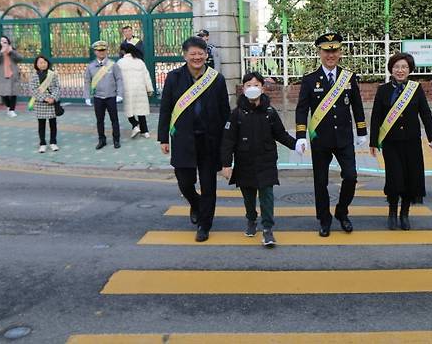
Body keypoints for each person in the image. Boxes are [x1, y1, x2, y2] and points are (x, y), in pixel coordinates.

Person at [158, 36, 230, 242]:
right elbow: (165, 109)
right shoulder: (174, 78)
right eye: (193, 54)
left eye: (201, 53)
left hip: (210, 141)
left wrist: (227, 142)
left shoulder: (216, 79)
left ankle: (204, 225)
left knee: (209, 185)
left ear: (206, 55)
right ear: (185, 55)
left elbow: (225, 112)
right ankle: (196, 204)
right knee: (185, 183)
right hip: (183, 140)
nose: (197, 57)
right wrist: (163, 137)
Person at [295, 32, 367, 237]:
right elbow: (302, 109)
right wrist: (301, 135)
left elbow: (357, 106)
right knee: (321, 182)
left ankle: (342, 212)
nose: (330, 55)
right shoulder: (310, 80)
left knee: (351, 177)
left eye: (334, 50)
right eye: (326, 51)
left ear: (340, 52)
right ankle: (324, 219)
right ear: (319, 52)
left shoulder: (348, 77)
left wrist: (362, 131)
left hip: (344, 138)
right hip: (320, 139)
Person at [220, 72, 298, 247]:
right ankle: (251, 219)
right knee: (248, 197)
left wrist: (297, 145)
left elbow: (281, 135)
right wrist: (226, 164)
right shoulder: (236, 114)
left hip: (266, 161)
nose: (252, 88)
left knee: (267, 196)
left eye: (256, 85)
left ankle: (268, 229)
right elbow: (228, 140)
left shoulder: (270, 112)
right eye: (248, 85)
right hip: (244, 162)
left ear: (262, 88)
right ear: (243, 89)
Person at [369, 53, 432, 230]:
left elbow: (425, 113)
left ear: (409, 70)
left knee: (410, 178)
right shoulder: (383, 90)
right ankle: (392, 212)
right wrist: (373, 142)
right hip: (391, 143)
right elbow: (376, 117)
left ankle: (404, 214)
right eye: (397, 67)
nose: (400, 70)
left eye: (404, 67)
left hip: (411, 142)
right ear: (391, 69)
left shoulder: (416, 89)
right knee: (394, 178)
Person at [83, 40, 125, 150]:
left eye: (103, 50)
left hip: (111, 96)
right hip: (98, 97)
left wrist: (120, 94)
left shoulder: (113, 65)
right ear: (95, 52)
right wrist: (87, 96)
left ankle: (116, 139)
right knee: (100, 120)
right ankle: (102, 139)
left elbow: (119, 79)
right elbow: (87, 81)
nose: (101, 52)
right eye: (99, 50)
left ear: (106, 51)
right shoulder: (91, 66)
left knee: (114, 119)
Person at [117, 42, 154, 139]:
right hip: (140, 89)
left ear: (123, 51)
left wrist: (117, 91)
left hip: (127, 90)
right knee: (141, 110)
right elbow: (146, 76)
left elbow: (118, 78)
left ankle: (134, 124)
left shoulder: (120, 63)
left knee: (129, 110)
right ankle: (145, 131)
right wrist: (149, 89)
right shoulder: (140, 62)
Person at [29, 55, 61, 153]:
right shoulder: (34, 76)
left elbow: (57, 87)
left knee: (53, 124)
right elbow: (33, 90)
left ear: (47, 63)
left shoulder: (53, 74)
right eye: (40, 62)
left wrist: (53, 98)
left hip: (52, 103)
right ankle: (42, 143)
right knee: (41, 124)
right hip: (40, 104)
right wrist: (45, 98)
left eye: (44, 62)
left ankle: (53, 142)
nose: (42, 64)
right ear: (36, 64)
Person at [0, 35, 22, 117]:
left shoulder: (12, 51)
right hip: (3, 76)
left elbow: (20, 58)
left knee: (13, 93)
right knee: (4, 94)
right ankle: (9, 107)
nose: (4, 43)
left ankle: (12, 110)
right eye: (2, 41)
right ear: (0, 43)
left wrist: (12, 51)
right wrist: (1, 52)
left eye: (5, 41)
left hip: (13, 75)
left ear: (8, 42)